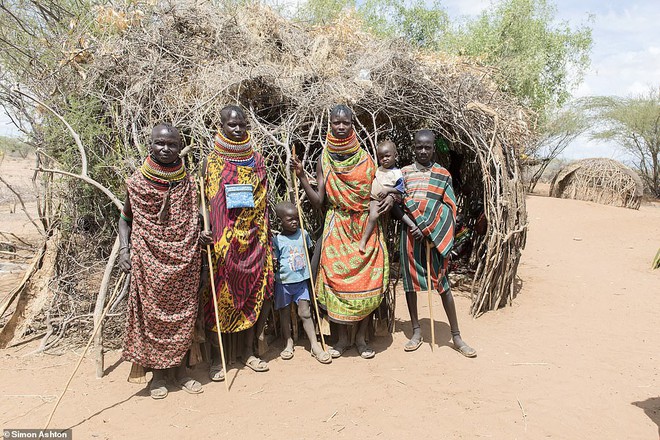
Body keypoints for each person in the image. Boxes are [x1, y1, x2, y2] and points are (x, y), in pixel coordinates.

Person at [292, 104, 391, 359]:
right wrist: (303, 176)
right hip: (337, 226)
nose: (340, 126)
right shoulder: (323, 159)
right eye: (336, 122)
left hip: (364, 228)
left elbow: (378, 191)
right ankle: (343, 339)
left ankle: (361, 338)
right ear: (330, 125)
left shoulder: (366, 159)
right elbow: (318, 201)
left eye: (345, 122)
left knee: (369, 278)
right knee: (335, 282)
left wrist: (391, 198)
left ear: (352, 125)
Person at [118, 123, 208, 399]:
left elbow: (197, 218)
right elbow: (125, 219)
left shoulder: (190, 183)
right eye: (160, 143)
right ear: (151, 145)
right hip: (149, 263)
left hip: (185, 262)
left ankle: (181, 373)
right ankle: (157, 377)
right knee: (154, 320)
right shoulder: (137, 182)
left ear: (180, 147)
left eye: (171, 144)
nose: (166, 149)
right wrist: (125, 250)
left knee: (184, 317)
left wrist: (202, 234)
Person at [202, 105, 273, 379]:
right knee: (220, 298)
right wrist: (206, 229)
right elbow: (204, 200)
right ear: (221, 126)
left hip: (254, 240)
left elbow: (264, 202)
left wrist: (264, 237)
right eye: (232, 125)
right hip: (223, 242)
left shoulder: (257, 160)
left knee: (253, 295)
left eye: (242, 125)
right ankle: (219, 360)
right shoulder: (212, 160)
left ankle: (249, 353)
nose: (237, 129)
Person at [400, 129, 476, 357]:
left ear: (434, 147)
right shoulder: (403, 173)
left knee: (442, 283)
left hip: (434, 237)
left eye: (428, 147)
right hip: (410, 234)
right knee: (410, 282)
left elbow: (450, 208)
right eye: (419, 147)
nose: (423, 151)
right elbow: (398, 204)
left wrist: (430, 226)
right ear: (413, 147)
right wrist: (415, 225)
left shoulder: (443, 175)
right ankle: (416, 331)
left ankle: (456, 336)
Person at [273, 201, 332, 364]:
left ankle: (314, 345)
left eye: (296, 219)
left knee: (305, 313)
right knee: (284, 313)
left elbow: (310, 252)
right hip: (283, 282)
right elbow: (275, 259)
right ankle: (288, 342)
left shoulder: (303, 234)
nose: (294, 222)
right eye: (289, 219)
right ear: (281, 221)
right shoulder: (277, 240)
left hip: (301, 282)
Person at [359, 139, 419, 253]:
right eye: (381, 157)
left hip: (385, 200)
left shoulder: (397, 173)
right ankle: (363, 239)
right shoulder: (378, 169)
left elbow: (400, 190)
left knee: (378, 216)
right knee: (369, 216)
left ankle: (363, 241)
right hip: (373, 198)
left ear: (395, 155)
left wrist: (388, 190)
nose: (384, 159)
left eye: (387, 156)